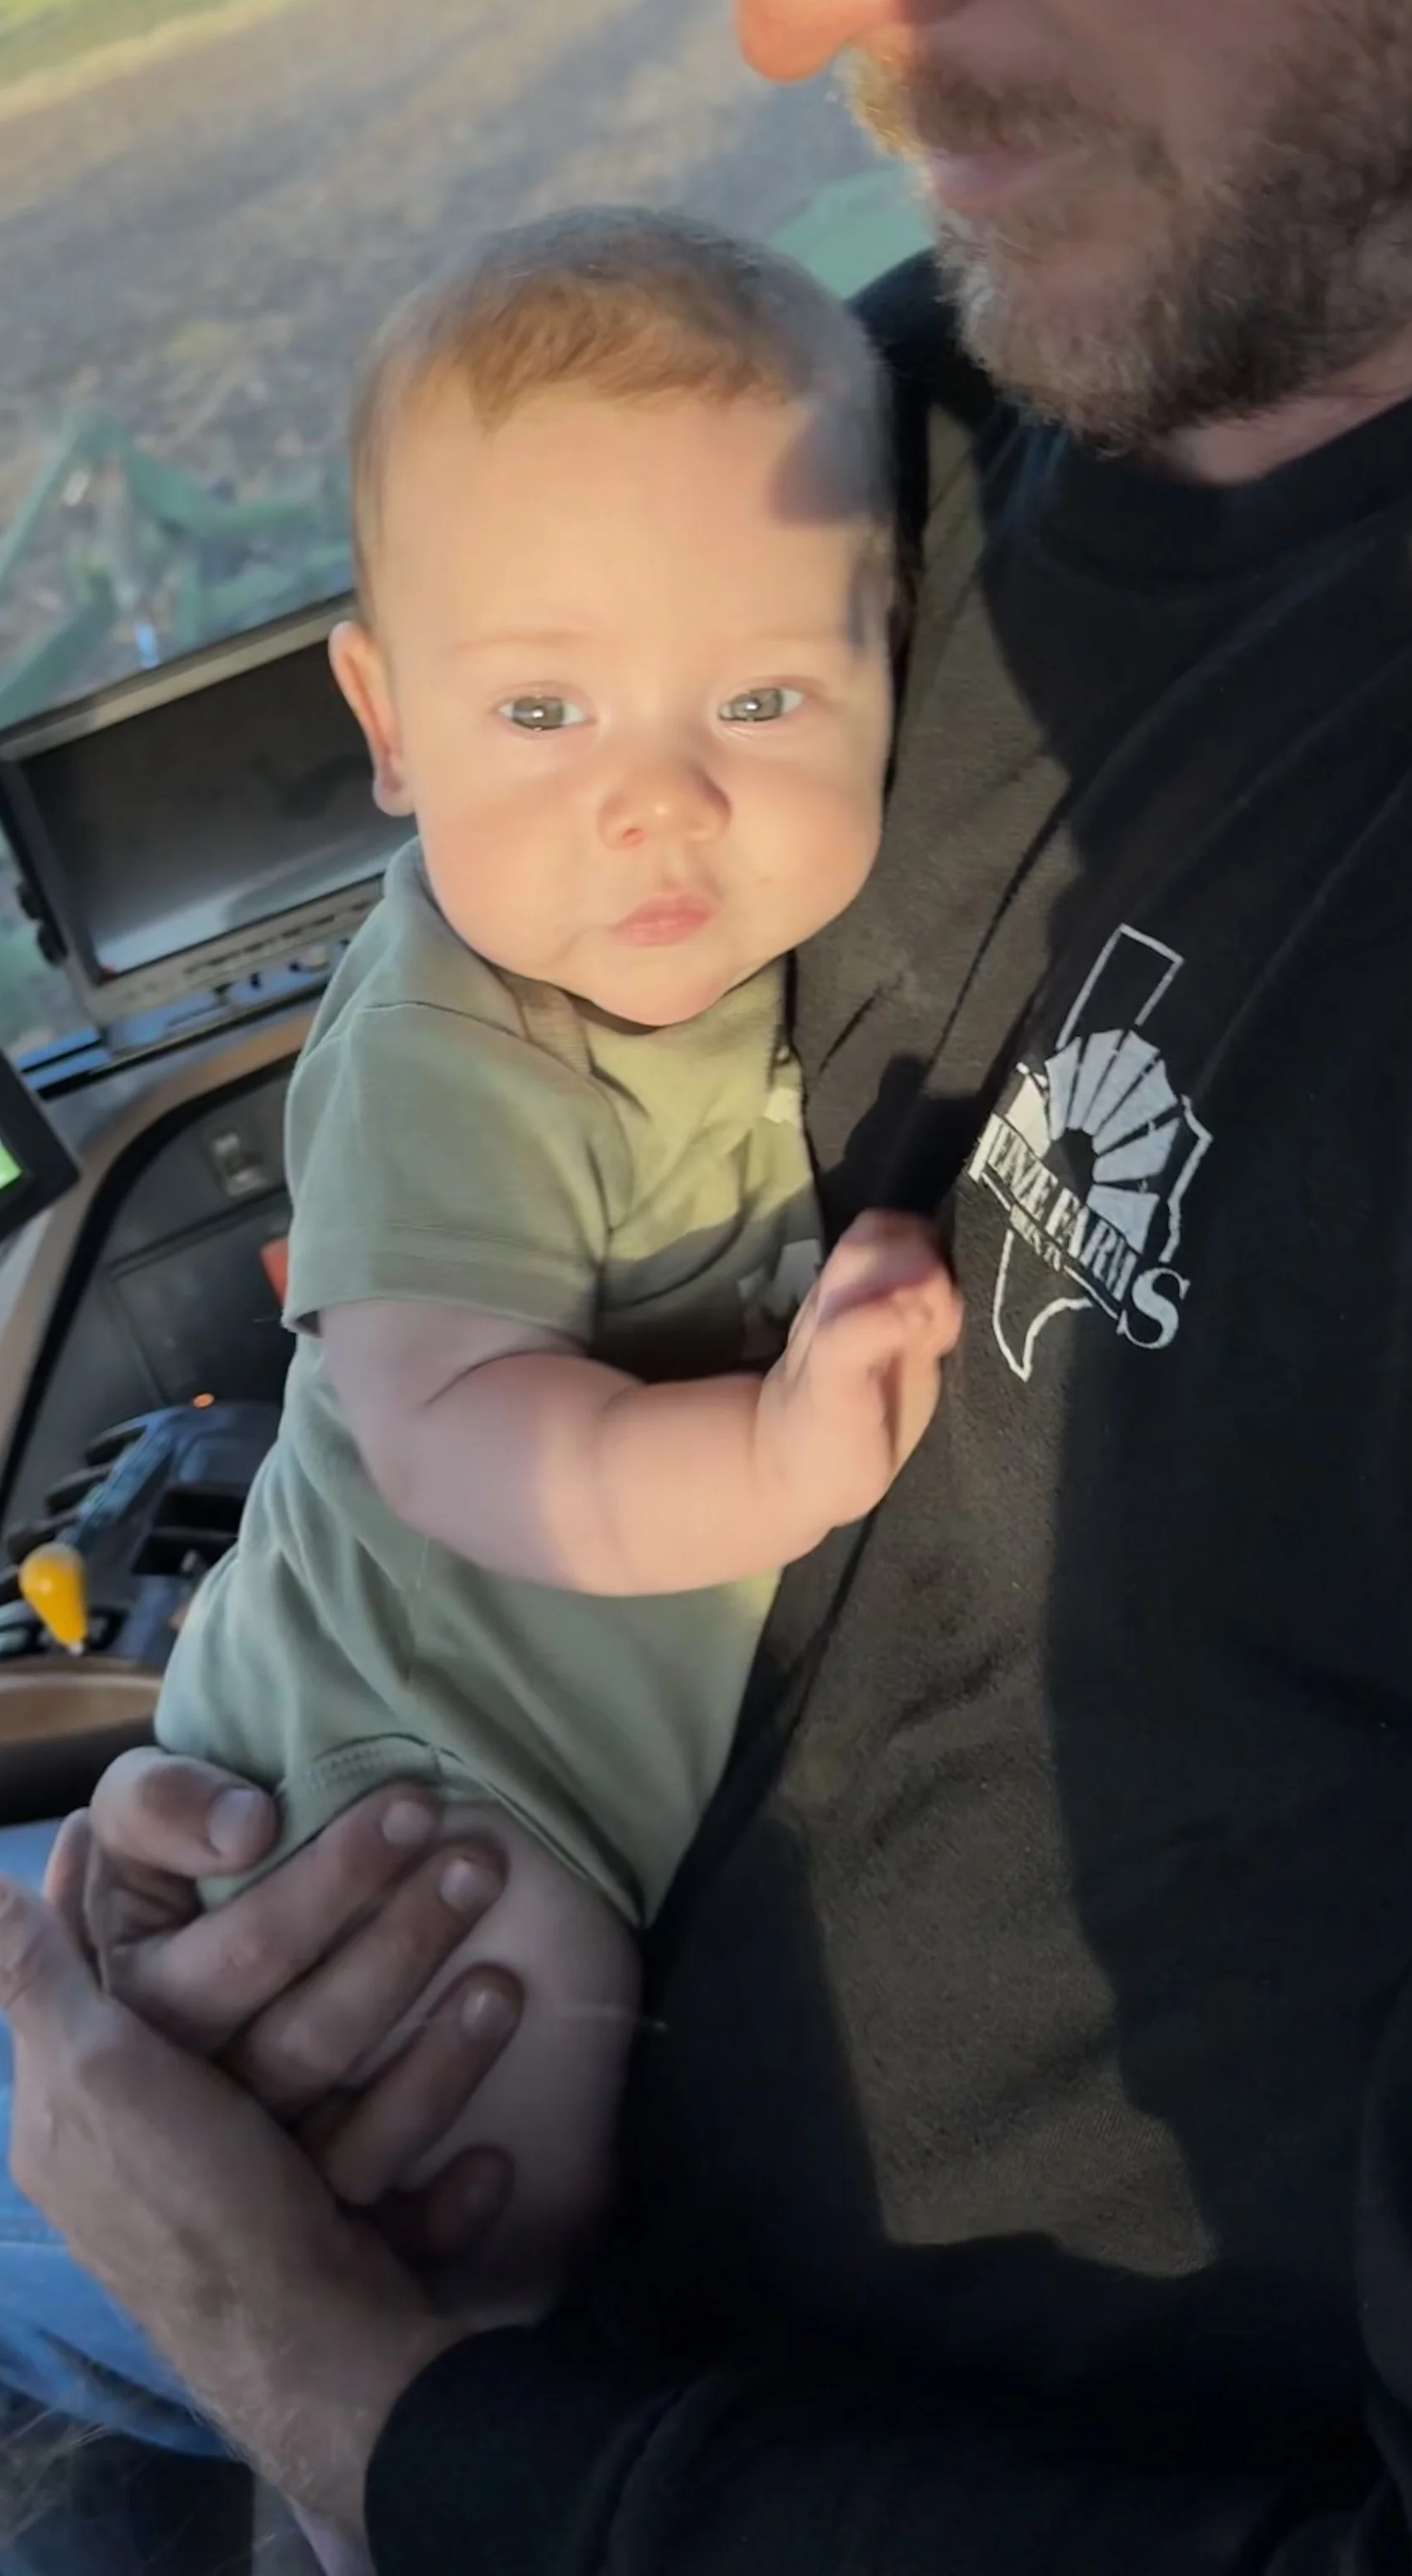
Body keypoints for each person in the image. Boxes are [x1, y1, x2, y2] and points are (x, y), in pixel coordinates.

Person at [0, 0, 1412, 2570]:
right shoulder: (950, 404)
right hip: (465, 1857)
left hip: (739, 2388)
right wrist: (233, 1827)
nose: (784, 2)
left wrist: (371, 2405)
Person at [148, 206, 959, 2359]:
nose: (657, 802)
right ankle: (430, 2452)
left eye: (760, 696)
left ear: (891, 648)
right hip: (420, 1753)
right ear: (387, 722)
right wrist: (776, 1460)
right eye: (539, 710)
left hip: (576, 1725)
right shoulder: (453, 1044)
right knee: (510, 2075)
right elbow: (450, 1434)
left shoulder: (735, 933)